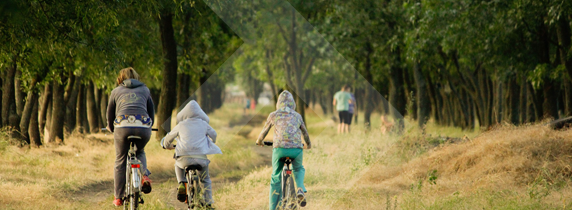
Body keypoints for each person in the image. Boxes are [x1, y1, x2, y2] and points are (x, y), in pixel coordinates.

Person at [106, 67, 154, 207]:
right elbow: (151, 111)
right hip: (143, 126)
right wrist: (149, 125)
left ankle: (119, 197)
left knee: (120, 159)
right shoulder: (145, 90)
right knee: (140, 151)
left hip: (122, 126)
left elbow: (110, 114)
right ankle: (144, 176)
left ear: (120, 78)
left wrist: (110, 127)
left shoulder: (115, 91)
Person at [256, 91, 312, 210]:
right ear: (293, 103)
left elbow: (264, 132)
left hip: (279, 150)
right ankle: (300, 189)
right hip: (296, 150)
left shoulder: (273, 115)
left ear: (278, 103)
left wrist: (259, 141)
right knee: (298, 168)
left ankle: (273, 208)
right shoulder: (297, 116)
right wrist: (308, 144)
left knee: (276, 176)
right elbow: (305, 134)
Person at [160, 100, 221, 209]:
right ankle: (208, 202)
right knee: (205, 179)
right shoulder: (203, 124)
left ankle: (182, 183)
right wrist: (211, 140)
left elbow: (168, 138)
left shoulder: (181, 124)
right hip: (200, 158)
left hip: (184, 158)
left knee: (177, 165)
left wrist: (166, 145)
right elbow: (214, 135)